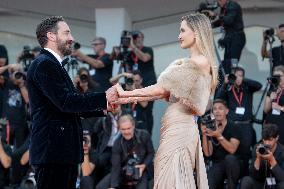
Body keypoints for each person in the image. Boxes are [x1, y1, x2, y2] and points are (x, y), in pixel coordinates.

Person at [110, 13, 218, 189]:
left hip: (180, 132)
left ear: (196, 32)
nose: (179, 36)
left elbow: (160, 89)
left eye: (183, 30)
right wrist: (127, 97)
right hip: (176, 129)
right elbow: (161, 91)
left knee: (172, 182)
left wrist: (124, 95)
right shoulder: (192, 63)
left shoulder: (197, 62)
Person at [26, 16, 118, 189]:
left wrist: (104, 108)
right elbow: (67, 102)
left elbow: (68, 105)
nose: (72, 38)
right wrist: (104, 97)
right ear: (51, 36)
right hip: (53, 152)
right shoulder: (44, 64)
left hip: (61, 153)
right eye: (67, 32)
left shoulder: (52, 64)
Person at [96, 114, 154, 189]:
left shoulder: (144, 135)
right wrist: (114, 186)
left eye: (128, 128)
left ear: (133, 126)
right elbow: (116, 166)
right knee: (101, 187)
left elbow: (151, 153)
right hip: (123, 170)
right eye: (123, 129)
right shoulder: (117, 142)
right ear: (119, 129)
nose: (126, 132)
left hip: (141, 169)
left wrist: (144, 165)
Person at [201, 99, 242, 189]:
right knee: (208, 183)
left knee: (229, 159)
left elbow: (232, 149)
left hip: (233, 164)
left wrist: (218, 135)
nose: (217, 111)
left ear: (226, 111)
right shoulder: (210, 127)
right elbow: (208, 153)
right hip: (217, 164)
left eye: (220, 108)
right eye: (215, 109)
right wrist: (204, 134)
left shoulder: (235, 127)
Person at [204, 0, 246, 74]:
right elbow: (222, 21)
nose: (218, 2)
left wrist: (215, 15)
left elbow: (229, 20)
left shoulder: (233, 6)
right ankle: (227, 78)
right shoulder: (224, 8)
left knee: (232, 62)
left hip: (236, 37)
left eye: (219, 0)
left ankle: (232, 78)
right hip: (229, 38)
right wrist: (210, 25)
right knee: (227, 62)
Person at [240, 124, 284, 189]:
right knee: (246, 181)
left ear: (277, 138)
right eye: (265, 140)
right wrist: (258, 158)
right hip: (261, 183)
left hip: (277, 184)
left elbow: (282, 178)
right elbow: (252, 175)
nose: (267, 143)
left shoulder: (282, 150)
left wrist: (272, 160)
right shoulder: (258, 148)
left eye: (270, 140)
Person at [264, 65, 284, 144]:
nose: (277, 78)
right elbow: (265, 110)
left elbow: (278, 107)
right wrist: (271, 99)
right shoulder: (272, 89)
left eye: (279, 76)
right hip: (271, 124)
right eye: (275, 76)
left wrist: (280, 108)